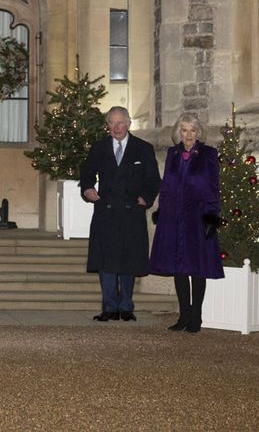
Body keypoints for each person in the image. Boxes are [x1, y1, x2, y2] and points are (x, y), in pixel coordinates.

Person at [79, 106, 160, 322]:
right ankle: (109, 307)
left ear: (129, 124)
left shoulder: (143, 148)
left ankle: (126, 306)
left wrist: (146, 198)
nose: (116, 128)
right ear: (107, 126)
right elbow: (86, 174)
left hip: (131, 212)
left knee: (128, 261)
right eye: (111, 123)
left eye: (120, 123)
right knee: (106, 263)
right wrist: (87, 189)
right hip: (106, 213)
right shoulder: (99, 148)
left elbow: (154, 180)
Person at [148, 112, 224, 333]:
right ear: (178, 132)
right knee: (178, 268)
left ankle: (196, 317)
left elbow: (213, 187)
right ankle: (183, 315)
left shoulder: (209, 154)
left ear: (198, 132)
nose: (189, 134)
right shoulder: (172, 154)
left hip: (198, 218)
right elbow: (166, 186)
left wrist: (211, 215)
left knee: (197, 268)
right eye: (184, 130)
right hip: (174, 216)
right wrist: (161, 210)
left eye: (192, 130)